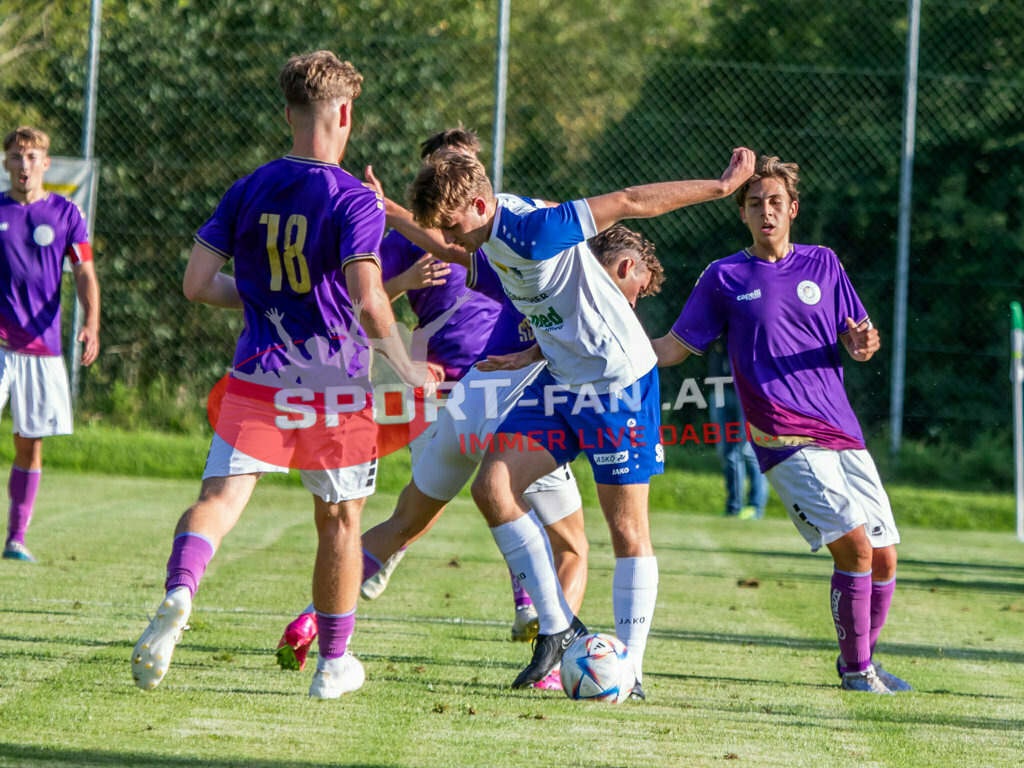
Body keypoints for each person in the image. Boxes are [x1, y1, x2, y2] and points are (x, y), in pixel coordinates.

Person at [407, 146, 756, 697]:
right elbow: (548, 301)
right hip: (560, 380)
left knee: (626, 532)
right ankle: (557, 626)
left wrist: (721, 187)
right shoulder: (488, 226)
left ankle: (631, 673)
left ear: (479, 203)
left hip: (618, 383)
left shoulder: (534, 229)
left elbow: (629, 201)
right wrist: (530, 354)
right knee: (493, 488)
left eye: (453, 227)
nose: (452, 241)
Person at [130, 50, 412, 699]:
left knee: (220, 500)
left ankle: (179, 592)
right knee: (340, 518)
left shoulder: (247, 187)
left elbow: (197, 285)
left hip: (258, 374)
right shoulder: (355, 200)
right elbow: (369, 298)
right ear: (344, 114)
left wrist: (262, 298)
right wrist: (404, 363)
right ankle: (333, 665)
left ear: (289, 114)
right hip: (333, 384)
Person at [651, 155, 911, 694]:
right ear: (742, 214)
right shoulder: (725, 276)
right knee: (856, 549)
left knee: (884, 556)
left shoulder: (824, 263)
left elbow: (859, 337)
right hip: (784, 437)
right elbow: (675, 349)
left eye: (775, 202)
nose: (765, 211)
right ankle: (858, 672)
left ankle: (863, 660)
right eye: (754, 204)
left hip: (843, 432)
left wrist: (865, 344)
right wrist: (608, 345)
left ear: (792, 209)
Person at [1, 126, 101, 564]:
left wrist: (92, 321)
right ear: (5, 163)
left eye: (32, 156)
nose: (24, 165)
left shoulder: (66, 214)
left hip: (41, 349)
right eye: (16, 156)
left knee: (31, 444)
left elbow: (83, 272)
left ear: (45, 164)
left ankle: (16, 538)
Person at [706, 339, 768, 519]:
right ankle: (733, 507)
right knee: (727, 453)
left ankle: (756, 506)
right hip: (719, 390)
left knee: (748, 450)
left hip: (748, 391)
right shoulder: (712, 316)